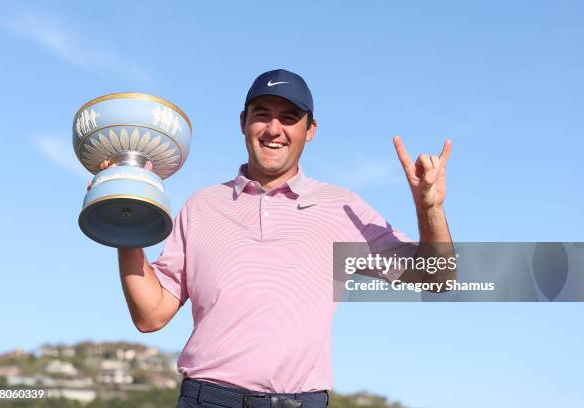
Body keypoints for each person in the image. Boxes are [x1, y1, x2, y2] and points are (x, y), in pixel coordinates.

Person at [101, 69, 455, 408]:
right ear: (243, 122)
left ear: (310, 130)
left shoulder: (342, 207)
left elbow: (436, 278)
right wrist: (125, 215)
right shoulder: (201, 206)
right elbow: (151, 314)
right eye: (262, 115)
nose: (274, 129)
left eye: (289, 117)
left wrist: (430, 208)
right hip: (206, 400)